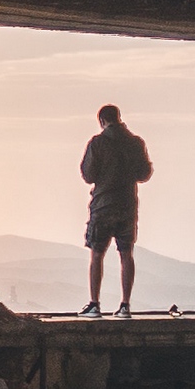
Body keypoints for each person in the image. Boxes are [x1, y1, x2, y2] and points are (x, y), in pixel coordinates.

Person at [79, 104, 153, 314]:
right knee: (126, 254)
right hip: (127, 205)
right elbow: (144, 173)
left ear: (102, 121)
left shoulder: (98, 143)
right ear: (119, 118)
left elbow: (88, 176)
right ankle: (125, 305)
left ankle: (94, 304)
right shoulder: (136, 143)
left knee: (96, 254)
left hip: (103, 205)